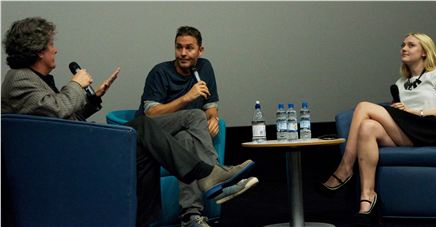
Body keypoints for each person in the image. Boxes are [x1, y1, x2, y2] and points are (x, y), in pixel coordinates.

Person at [1, 17, 256, 227]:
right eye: (50, 45)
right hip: (61, 160)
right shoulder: (20, 80)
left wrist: (93, 99)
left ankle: (148, 221)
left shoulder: (35, 79)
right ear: (37, 51)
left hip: (68, 151)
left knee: (146, 146)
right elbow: (57, 112)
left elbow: (59, 119)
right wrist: (76, 85)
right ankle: (209, 174)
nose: (55, 49)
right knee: (144, 125)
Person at [319, 33, 436, 225]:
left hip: (428, 129)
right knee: (367, 127)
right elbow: (400, 114)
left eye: (411, 45)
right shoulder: (400, 82)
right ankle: (367, 199)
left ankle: (345, 168)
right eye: (402, 45)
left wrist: (416, 111)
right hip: (407, 131)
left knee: (363, 106)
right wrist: (399, 111)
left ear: (424, 52)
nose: (404, 48)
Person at [137, 26, 259, 227]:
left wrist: (211, 118)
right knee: (195, 114)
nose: (183, 53)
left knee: (186, 138)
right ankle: (215, 174)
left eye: (189, 48)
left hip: (180, 134)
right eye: (179, 47)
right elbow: (151, 113)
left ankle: (191, 216)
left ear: (200, 50)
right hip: (151, 132)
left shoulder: (204, 68)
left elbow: (211, 107)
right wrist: (187, 98)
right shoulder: (160, 72)